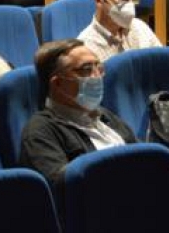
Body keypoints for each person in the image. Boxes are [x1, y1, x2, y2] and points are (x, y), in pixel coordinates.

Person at [20, 39, 136, 191]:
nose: (97, 76)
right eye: (86, 69)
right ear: (57, 84)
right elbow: (66, 191)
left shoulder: (105, 116)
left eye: (98, 67)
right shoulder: (40, 132)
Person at [78, 0, 161, 61]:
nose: (130, 4)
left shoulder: (140, 27)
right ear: (99, 0)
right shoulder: (86, 46)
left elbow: (162, 64)